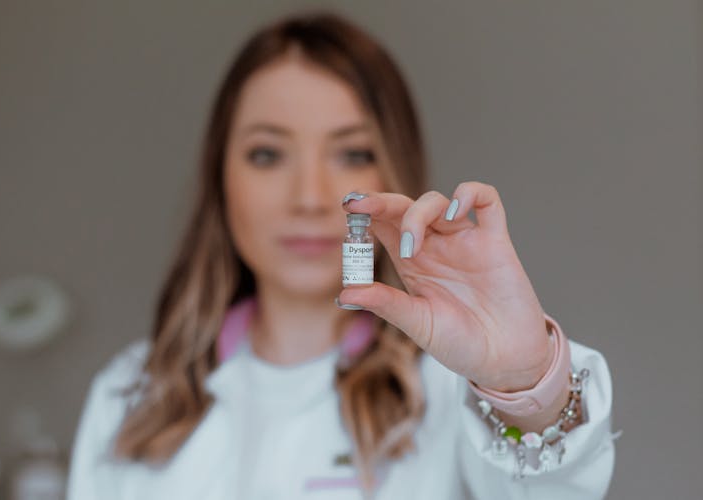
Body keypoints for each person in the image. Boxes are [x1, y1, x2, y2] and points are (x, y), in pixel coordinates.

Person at [66, 10, 616, 500]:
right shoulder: (128, 397)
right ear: (220, 177)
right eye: (267, 154)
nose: (309, 197)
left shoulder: (456, 387)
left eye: (352, 152)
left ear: (391, 171)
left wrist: (526, 385)